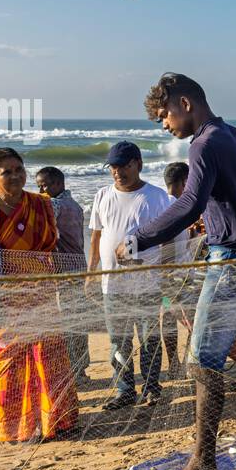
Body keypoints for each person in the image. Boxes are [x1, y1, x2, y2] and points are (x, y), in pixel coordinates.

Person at [119, 73, 236, 470]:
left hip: (230, 263)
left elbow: (188, 203)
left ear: (185, 103)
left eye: (164, 116)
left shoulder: (204, 143)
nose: (164, 126)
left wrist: (137, 239)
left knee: (202, 361)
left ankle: (203, 462)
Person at [0, 147, 80, 443]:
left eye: (19, 169)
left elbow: (51, 244)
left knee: (50, 355)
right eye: (7, 171)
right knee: (11, 361)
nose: (16, 176)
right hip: (4, 296)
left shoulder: (40, 203)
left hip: (42, 290)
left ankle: (58, 421)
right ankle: (18, 429)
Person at [86, 141, 171, 410]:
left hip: (147, 283)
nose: (118, 172)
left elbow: (168, 240)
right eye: (113, 167)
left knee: (149, 339)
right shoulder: (102, 195)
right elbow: (96, 236)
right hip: (112, 285)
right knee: (118, 340)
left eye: (124, 165)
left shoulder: (157, 197)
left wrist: (167, 274)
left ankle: (151, 388)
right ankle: (124, 390)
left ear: (139, 164)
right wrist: (91, 273)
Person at [34, 166, 90, 381]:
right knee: (77, 319)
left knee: (68, 320)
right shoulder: (74, 205)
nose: (40, 190)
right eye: (38, 186)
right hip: (77, 265)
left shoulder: (55, 204)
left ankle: (74, 369)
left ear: (58, 184)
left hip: (66, 269)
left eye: (44, 185)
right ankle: (80, 367)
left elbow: (41, 222)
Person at [159, 161, 201, 378]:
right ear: (185, 181)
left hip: (168, 280)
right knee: (190, 319)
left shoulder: (162, 203)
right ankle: (191, 362)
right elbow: (168, 244)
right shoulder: (177, 206)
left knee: (167, 317)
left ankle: (174, 363)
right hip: (177, 280)